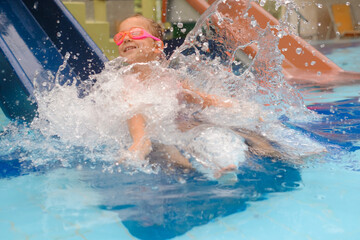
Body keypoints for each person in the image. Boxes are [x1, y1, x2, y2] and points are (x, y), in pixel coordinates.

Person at [113, 14, 295, 178]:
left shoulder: (170, 78)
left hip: (184, 126)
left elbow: (200, 98)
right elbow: (133, 113)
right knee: (171, 153)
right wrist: (139, 142)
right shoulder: (127, 83)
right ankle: (200, 173)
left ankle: (278, 157)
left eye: (136, 33)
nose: (126, 38)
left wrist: (237, 106)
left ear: (157, 45)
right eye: (120, 37)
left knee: (241, 132)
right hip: (157, 134)